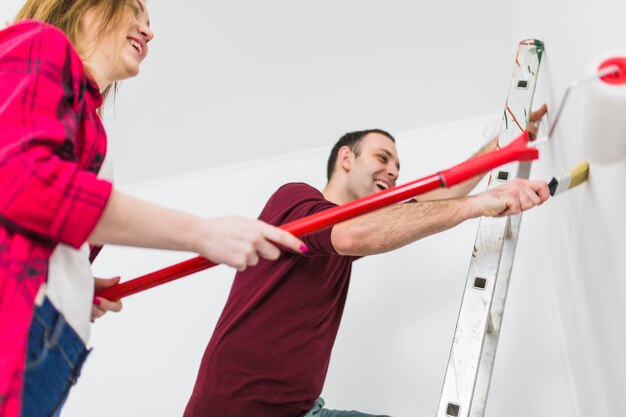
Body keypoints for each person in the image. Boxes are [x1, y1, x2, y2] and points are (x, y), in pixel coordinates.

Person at [0, 1, 306, 417]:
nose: (148, 31)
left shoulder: (95, 132)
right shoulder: (39, 42)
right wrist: (202, 233)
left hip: (55, 352)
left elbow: (37, 219)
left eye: (150, 22)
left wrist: (75, 281)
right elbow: (25, 181)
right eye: (134, 11)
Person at [183, 115, 550, 417]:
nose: (393, 172)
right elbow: (350, 233)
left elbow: (427, 203)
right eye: (382, 158)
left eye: (397, 166)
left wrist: (502, 145)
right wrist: (478, 205)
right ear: (346, 158)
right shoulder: (294, 200)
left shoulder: (344, 237)